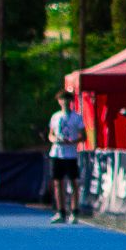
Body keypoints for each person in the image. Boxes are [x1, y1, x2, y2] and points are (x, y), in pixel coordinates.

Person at [44, 87, 86, 223]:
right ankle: (61, 212)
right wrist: (54, 140)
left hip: (71, 155)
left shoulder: (77, 117)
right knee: (57, 183)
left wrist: (73, 141)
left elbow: (83, 136)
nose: (65, 103)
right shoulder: (55, 116)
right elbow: (50, 134)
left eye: (67, 101)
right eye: (62, 100)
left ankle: (74, 211)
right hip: (57, 153)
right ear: (59, 102)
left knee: (74, 183)